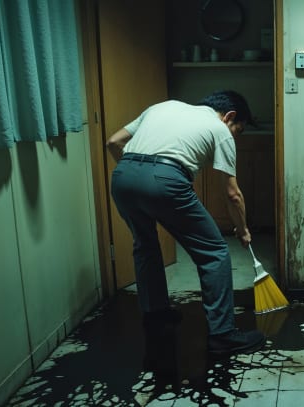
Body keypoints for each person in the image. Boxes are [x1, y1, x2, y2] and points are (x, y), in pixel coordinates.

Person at [106, 90, 265, 356]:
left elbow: (113, 141)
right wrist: (242, 229)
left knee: (144, 245)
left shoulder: (162, 107)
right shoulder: (220, 129)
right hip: (165, 179)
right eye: (238, 130)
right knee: (214, 252)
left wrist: (139, 174)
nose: (235, 136)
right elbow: (233, 194)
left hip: (123, 177)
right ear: (230, 116)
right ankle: (223, 335)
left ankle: (156, 316)